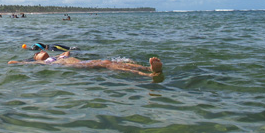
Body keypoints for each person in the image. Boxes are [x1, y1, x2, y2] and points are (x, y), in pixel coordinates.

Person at [8, 51, 163, 78]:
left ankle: (147, 68)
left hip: (83, 62)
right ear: (36, 59)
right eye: (37, 53)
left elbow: (67, 53)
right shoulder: (43, 63)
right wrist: (19, 61)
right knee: (108, 65)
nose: (39, 52)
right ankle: (147, 74)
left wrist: (61, 52)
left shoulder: (55, 56)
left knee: (110, 62)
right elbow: (15, 62)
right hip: (77, 66)